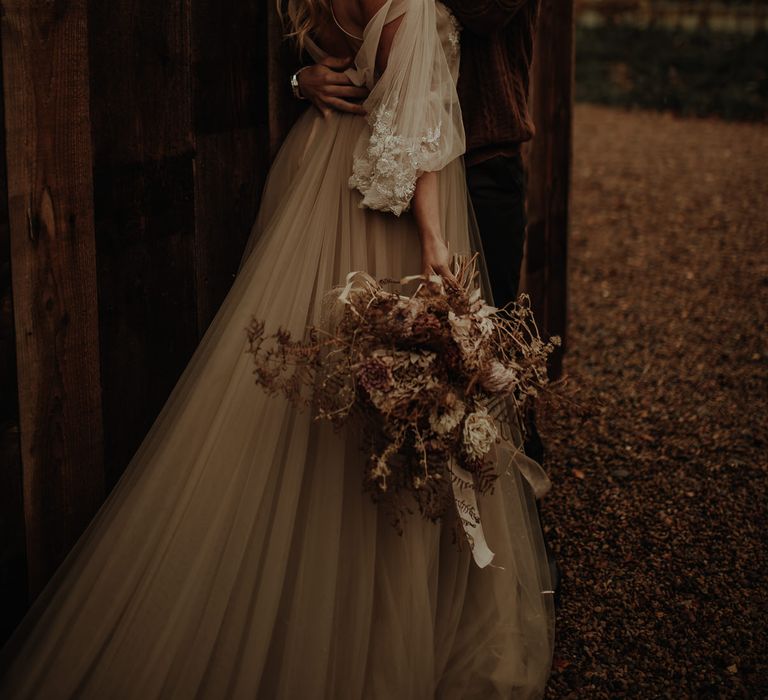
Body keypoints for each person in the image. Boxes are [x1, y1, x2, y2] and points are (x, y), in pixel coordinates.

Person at [0, 1, 554, 697]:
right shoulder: (412, 8)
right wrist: (435, 243)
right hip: (402, 197)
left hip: (319, 173)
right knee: (400, 384)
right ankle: (377, 613)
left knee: (337, 382)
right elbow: (414, 133)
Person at [298, 0, 560, 590]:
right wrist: (297, 78)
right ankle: (407, 569)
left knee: (485, 367)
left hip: (480, 159)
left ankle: (523, 562)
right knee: (396, 367)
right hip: (389, 167)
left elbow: (485, 12)